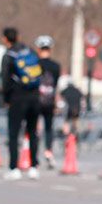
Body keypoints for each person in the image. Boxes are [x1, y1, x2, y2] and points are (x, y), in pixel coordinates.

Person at [0, 27, 44, 181]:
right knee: (32, 133)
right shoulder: (30, 51)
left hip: (17, 98)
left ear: (5, 39)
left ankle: (14, 168)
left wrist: (6, 99)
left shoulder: (8, 56)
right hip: (34, 97)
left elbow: (5, 80)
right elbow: (39, 72)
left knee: (14, 134)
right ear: (18, 36)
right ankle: (33, 167)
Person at [34, 36, 62, 168]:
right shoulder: (56, 66)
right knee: (49, 128)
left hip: (36, 100)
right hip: (49, 101)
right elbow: (55, 85)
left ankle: (34, 156)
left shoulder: (34, 64)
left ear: (38, 49)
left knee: (35, 128)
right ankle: (48, 151)